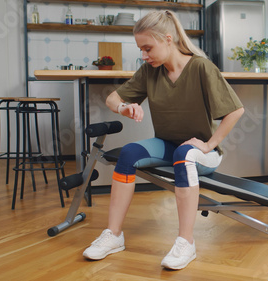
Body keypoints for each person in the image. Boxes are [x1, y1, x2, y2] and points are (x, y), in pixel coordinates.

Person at [82, 10, 244, 270]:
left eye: (148, 48)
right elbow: (113, 98)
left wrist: (209, 144)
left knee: (185, 153)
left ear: (168, 39)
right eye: (141, 50)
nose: (144, 56)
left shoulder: (201, 67)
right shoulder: (150, 71)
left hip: (201, 153)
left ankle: (186, 242)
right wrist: (124, 107)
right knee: (128, 153)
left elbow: (235, 111)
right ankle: (113, 235)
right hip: (168, 145)